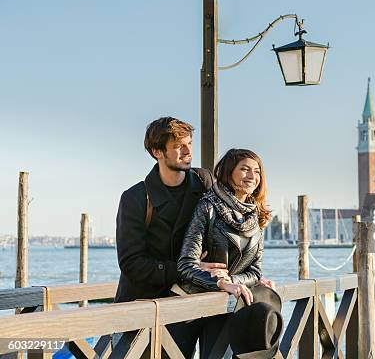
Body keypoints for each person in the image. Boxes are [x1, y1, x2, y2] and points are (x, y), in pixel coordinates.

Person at [114, 117, 223, 358]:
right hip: (145, 310)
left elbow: (228, 231)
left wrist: (251, 275)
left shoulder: (205, 182)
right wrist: (188, 269)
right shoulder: (135, 198)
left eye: (189, 144)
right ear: (157, 151)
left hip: (196, 303)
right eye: (178, 146)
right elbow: (132, 264)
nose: (187, 152)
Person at [177, 148, 274, 356]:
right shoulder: (207, 206)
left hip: (226, 308)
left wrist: (232, 281)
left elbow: (255, 271)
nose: (252, 176)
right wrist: (220, 283)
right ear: (229, 172)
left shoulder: (256, 216)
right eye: (245, 169)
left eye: (257, 171)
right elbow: (185, 264)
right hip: (190, 305)